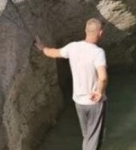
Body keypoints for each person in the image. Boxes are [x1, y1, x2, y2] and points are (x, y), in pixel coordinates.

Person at [35, 19, 108, 150]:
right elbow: (103, 78)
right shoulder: (98, 52)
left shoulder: (73, 47)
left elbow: (53, 53)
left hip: (79, 102)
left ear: (85, 31)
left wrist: (42, 48)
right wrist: (100, 92)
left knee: (88, 137)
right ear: (100, 33)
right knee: (93, 140)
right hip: (93, 102)